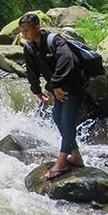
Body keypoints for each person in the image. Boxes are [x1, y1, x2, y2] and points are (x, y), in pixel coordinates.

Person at [19, 12, 86, 179]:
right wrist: (36, 90)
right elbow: (31, 70)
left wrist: (55, 84)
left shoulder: (55, 41)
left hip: (73, 85)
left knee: (66, 119)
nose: (24, 35)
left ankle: (62, 162)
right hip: (57, 87)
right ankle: (75, 155)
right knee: (57, 116)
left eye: (26, 31)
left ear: (37, 28)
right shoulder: (29, 47)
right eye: (22, 31)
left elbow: (67, 60)